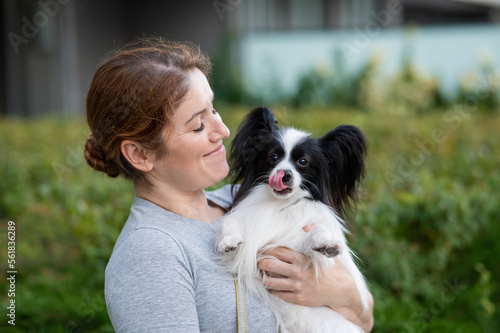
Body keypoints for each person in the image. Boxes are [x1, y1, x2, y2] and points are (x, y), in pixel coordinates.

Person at [84, 37, 374, 332]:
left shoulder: (252, 199)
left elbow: (365, 320)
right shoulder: (150, 252)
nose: (222, 131)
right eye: (198, 125)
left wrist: (344, 294)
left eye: (214, 109)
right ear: (140, 154)